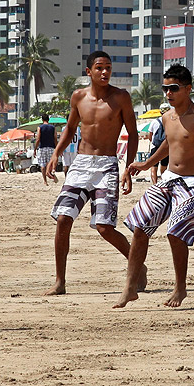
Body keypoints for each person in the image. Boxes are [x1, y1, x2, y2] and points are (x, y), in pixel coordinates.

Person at [114, 63, 194, 308]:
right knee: (140, 225)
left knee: (175, 232)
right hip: (169, 179)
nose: (168, 93)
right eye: (165, 88)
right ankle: (130, 287)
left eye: (174, 88)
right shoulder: (167, 117)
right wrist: (147, 164)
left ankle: (180, 288)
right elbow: (170, 143)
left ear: (188, 89)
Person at [43, 51, 141, 296]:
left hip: (107, 165)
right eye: (99, 68)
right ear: (89, 71)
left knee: (104, 227)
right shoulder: (79, 97)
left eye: (108, 67)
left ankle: (138, 265)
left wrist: (128, 168)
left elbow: (133, 134)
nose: (105, 72)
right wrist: (56, 154)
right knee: (64, 219)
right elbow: (70, 128)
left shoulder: (121, 98)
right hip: (81, 164)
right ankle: (59, 282)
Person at [35, 115, 57, 183]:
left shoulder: (40, 127)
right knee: (50, 163)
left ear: (42, 120)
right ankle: (51, 173)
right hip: (51, 147)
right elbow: (55, 138)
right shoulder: (53, 127)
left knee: (42, 165)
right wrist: (57, 148)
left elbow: (38, 139)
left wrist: (35, 149)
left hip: (42, 148)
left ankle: (45, 181)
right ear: (48, 120)